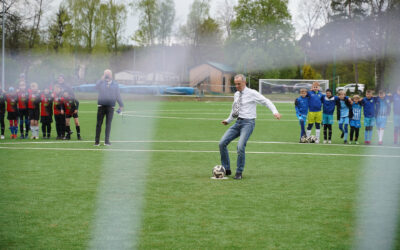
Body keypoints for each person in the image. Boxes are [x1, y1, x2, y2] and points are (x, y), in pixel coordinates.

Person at [219, 74, 281, 180]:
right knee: (222, 143)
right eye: (236, 84)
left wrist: (275, 112)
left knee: (240, 146)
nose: (237, 86)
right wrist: (228, 120)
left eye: (239, 84)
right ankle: (226, 168)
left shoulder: (252, 93)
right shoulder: (236, 94)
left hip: (248, 124)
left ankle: (239, 172)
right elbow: (235, 109)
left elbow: (266, 101)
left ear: (244, 83)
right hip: (237, 123)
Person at [95, 69, 124, 146]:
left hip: (110, 106)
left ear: (112, 75)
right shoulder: (101, 83)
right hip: (101, 106)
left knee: (108, 124)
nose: (107, 76)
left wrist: (121, 105)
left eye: (108, 74)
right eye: (106, 74)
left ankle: (106, 141)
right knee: (99, 124)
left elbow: (118, 95)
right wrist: (102, 79)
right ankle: (97, 141)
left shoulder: (115, 84)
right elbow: (96, 87)